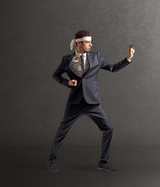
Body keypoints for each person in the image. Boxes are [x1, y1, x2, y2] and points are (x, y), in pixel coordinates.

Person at [47, 30, 135, 173]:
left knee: (108, 129)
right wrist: (67, 83)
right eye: (88, 42)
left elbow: (112, 68)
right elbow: (56, 75)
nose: (91, 45)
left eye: (90, 42)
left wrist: (128, 58)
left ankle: (103, 162)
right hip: (74, 104)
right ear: (79, 43)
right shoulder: (66, 60)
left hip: (93, 103)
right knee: (62, 131)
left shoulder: (96, 57)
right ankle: (51, 160)